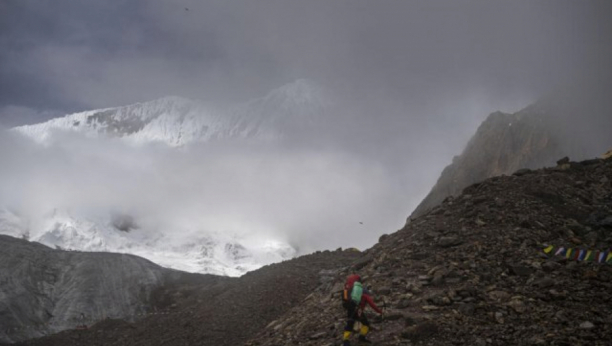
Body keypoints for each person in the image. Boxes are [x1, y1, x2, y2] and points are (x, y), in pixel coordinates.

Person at [342, 275, 383, 345]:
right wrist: (380, 311)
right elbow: (372, 305)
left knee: (350, 323)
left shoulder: (350, 291)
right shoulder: (364, 294)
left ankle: (346, 341)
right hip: (358, 310)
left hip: (350, 308)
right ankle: (362, 337)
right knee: (366, 324)